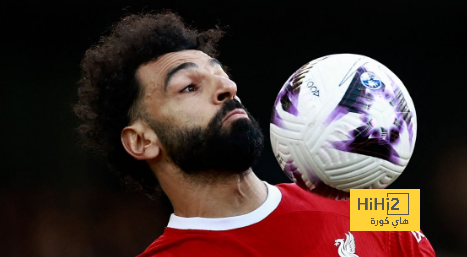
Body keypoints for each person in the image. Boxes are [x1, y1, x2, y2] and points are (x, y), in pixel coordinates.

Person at [74, 11, 436, 257]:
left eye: (220, 73)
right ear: (141, 140)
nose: (227, 86)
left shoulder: (369, 203)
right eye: (188, 86)